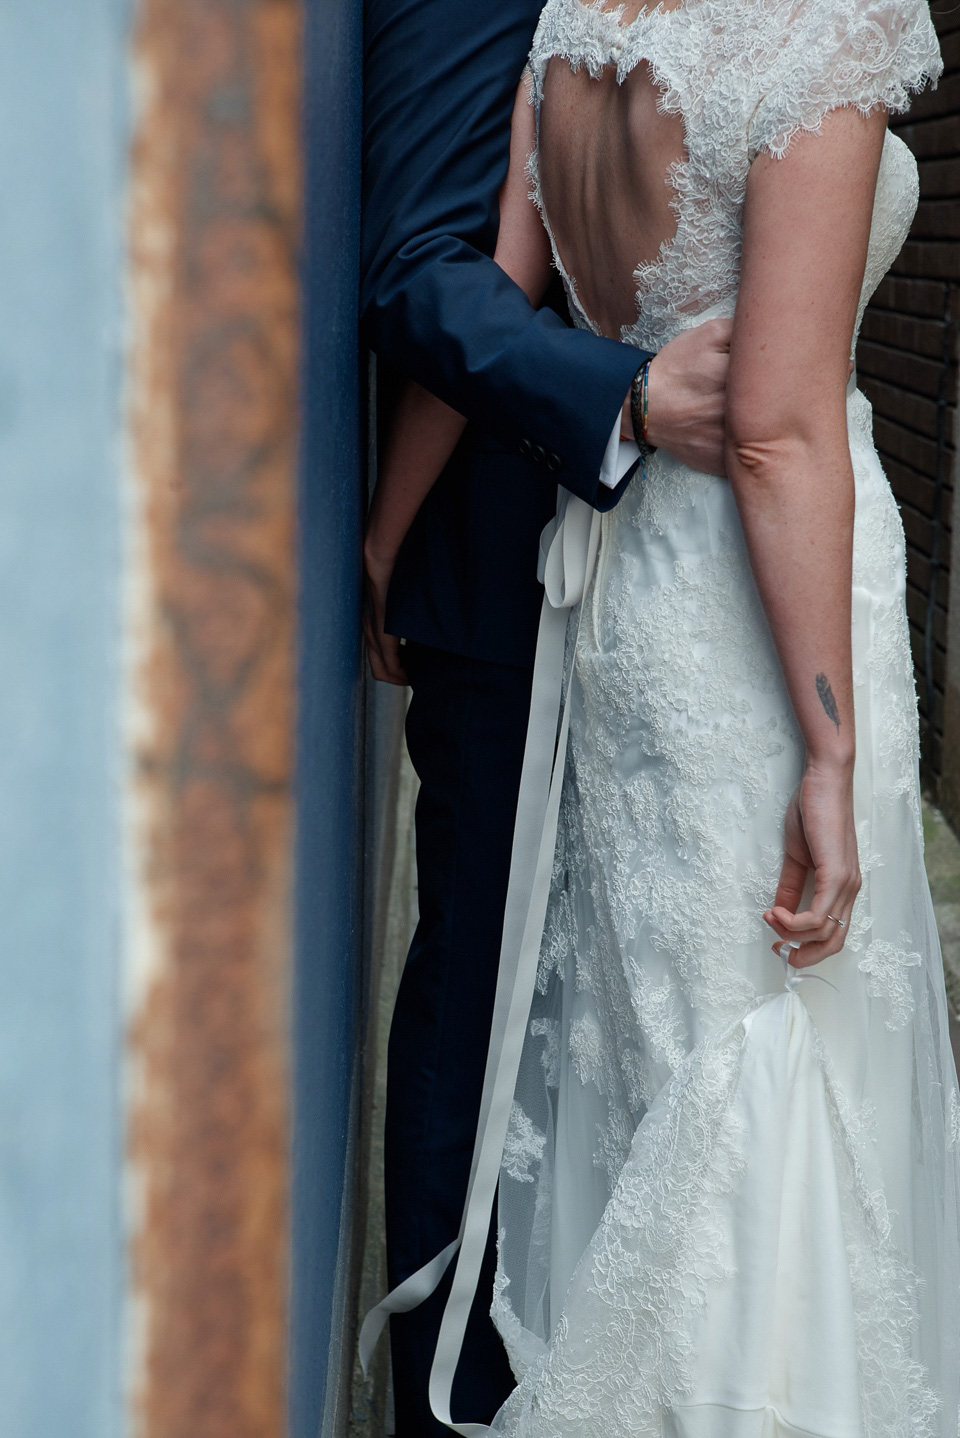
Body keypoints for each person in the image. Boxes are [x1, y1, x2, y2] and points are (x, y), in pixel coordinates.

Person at [365, 0, 960, 1434]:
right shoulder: (828, 26)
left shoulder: (571, 22)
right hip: (766, 614)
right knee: (773, 1034)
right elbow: (777, 427)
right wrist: (829, 748)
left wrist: (386, 530)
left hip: (627, 597)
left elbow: (489, 303)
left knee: (651, 1040)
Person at [360, 3, 732, 1433]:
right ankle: (447, 1400)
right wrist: (625, 401)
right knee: (483, 1009)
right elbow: (432, 266)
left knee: (624, 1008)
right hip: (523, 572)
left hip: (675, 581)